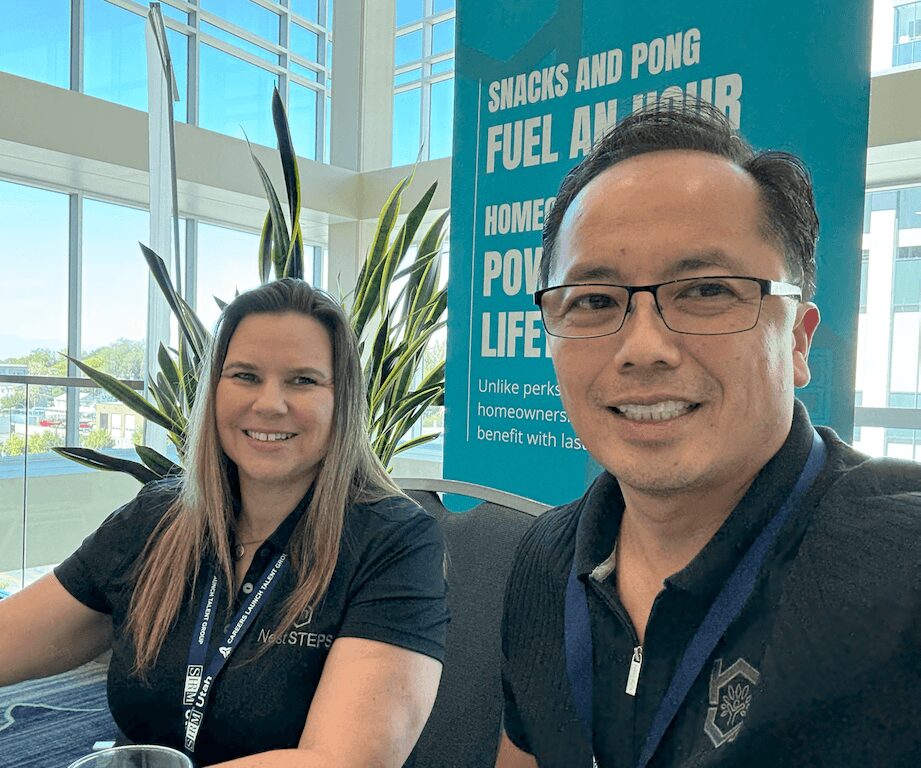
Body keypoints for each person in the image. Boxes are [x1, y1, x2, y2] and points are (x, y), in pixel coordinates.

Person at [496, 101, 921, 768]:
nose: (643, 348)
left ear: (798, 339)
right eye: (594, 301)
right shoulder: (543, 562)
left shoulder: (902, 566)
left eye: (705, 291)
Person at [0, 278, 449, 767]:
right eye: (245, 375)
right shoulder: (157, 518)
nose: (270, 403)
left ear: (342, 401)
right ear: (214, 390)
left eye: (303, 380)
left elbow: (344, 760)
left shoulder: (396, 543)